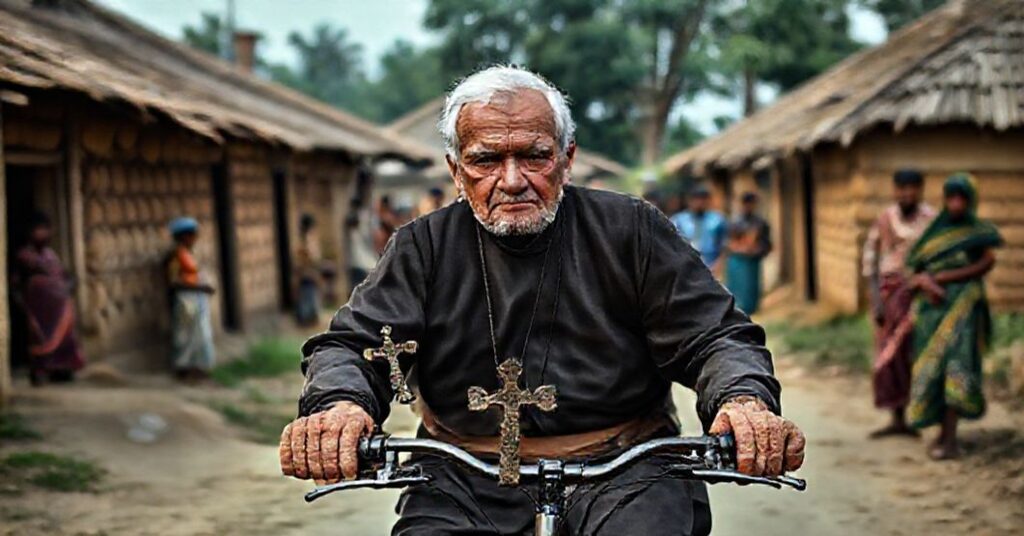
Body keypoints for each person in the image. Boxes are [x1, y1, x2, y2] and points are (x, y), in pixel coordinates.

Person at [278, 66, 805, 535]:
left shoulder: (631, 230)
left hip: (625, 468)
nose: (512, 180)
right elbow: (353, 344)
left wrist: (743, 401)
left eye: (534, 156)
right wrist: (339, 407)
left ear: (567, 157)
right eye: (486, 160)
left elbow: (715, 335)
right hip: (465, 476)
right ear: (456, 170)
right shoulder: (423, 246)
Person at [906, 173, 1002, 460]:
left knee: (956, 369)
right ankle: (941, 433)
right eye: (951, 197)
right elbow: (914, 271)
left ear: (970, 201)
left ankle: (951, 439)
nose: (956, 203)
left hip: (963, 310)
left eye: (962, 197)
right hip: (932, 313)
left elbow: (987, 262)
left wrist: (946, 277)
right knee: (931, 370)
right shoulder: (934, 232)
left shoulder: (976, 231)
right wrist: (927, 283)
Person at [861, 169, 936, 438]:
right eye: (901, 188)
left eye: (912, 188)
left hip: (921, 297)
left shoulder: (931, 220)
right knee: (889, 357)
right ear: (894, 190)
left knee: (916, 354)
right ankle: (896, 417)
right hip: (889, 294)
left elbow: (939, 258)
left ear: (921, 189)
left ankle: (920, 416)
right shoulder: (884, 220)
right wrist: (877, 301)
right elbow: (870, 262)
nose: (907, 193)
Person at [12, 211, 85, 385]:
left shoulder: (50, 255)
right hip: (39, 310)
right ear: (30, 232)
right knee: (40, 340)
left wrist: (68, 286)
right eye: (39, 229)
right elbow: (16, 282)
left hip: (60, 307)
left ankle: (61, 371)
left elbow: (66, 275)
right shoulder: (24, 256)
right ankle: (39, 373)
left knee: (65, 340)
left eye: (46, 229)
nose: (43, 233)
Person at [165, 217, 216, 383]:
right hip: (185, 299)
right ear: (184, 236)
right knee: (186, 335)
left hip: (195, 298)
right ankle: (184, 368)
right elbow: (173, 282)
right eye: (192, 235)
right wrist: (200, 288)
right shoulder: (176, 256)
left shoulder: (188, 253)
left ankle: (198, 367)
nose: (195, 238)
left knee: (199, 333)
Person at [725, 192, 773, 314]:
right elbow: (727, 243)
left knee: (751, 288)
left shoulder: (760, 223)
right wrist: (737, 248)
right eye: (747, 204)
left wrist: (757, 250)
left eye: (752, 204)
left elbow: (767, 244)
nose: (749, 207)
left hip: (752, 262)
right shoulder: (735, 222)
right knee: (737, 287)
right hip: (737, 261)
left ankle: (752, 309)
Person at [671, 185, 727, 271]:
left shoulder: (717, 220)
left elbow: (724, 246)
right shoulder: (679, 220)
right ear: (690, 201)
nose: (700, 202)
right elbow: (671, 245)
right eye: (697, 199)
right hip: (686, 266)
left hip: (711, 265)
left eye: (704, 199)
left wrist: (718, 266)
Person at [294, 213, 323, 326]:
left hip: (308, 276)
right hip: (308, 275)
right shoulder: (306, 241)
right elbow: (311, 258)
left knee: (309, 299)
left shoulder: (305, 240)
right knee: (308, 302)